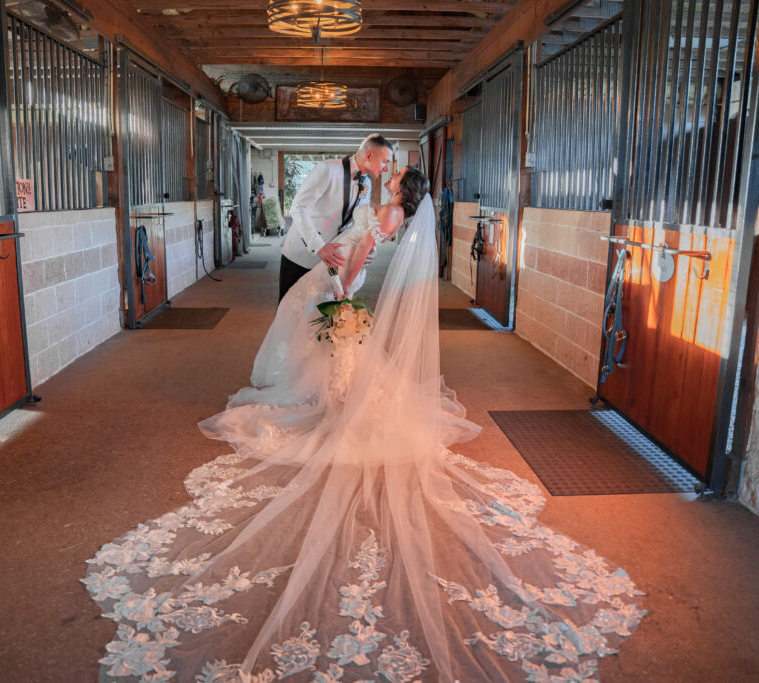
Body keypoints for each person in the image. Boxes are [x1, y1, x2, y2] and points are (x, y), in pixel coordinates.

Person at [84, 167, 644, 682]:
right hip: (339, 277)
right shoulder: (390, 209)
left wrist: (342, 290)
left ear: (404, 191)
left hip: (342, 284)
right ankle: (341, 404)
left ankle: (342, 411)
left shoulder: (388, 214)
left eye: (396, 175)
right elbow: (360, 243)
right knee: (341, 363)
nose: (390, 176)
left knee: (342, 361)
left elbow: (363, 254)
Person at [278, 134, 393, 303]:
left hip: (330, 263)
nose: (386, 168)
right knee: (289, 311)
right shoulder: (327, 169)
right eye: (385, 162)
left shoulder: (366, 183)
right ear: (368, 155)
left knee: (317, 318)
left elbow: (357, 222)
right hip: (300, 255)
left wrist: (368, 249)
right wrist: (319, 246)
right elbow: (298, 208)